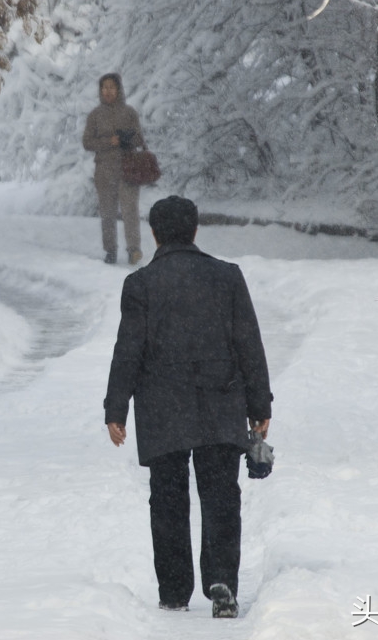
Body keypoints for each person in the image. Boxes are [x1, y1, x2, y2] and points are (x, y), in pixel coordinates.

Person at [103, 195, 273, 619]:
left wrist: (116, 409)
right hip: (219, 400)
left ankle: (175, 590)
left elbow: (128, 352)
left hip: (162, 407)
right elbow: (248, 344)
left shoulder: (140, 285)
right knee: (220, 494)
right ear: (195, 230)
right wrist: (259, 402)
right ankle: (221, 581)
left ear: (155, 233)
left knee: (167, 497)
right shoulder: (227, 277)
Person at [82, 73, 145, 265]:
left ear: (119, 90)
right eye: (104, 87)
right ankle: (110, 250)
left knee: (130, 210)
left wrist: (127, 139)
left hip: (128, 167)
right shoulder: (95, 115)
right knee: (107, 213)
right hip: (104, 170)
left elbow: (140, 139)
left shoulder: (129, 113)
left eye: (111, 87)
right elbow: (87, 142)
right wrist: (108, 141)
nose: (108, 91)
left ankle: (133, 249)